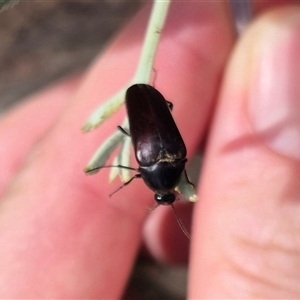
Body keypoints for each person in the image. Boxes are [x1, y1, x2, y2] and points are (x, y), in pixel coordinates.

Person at [0, 2, 299, 298]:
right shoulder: (145, 165)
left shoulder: (177, 159)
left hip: (153, 107)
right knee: (129, 131)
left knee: (160, 114)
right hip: (144, 116)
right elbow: (137, 172)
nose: (162, 196)